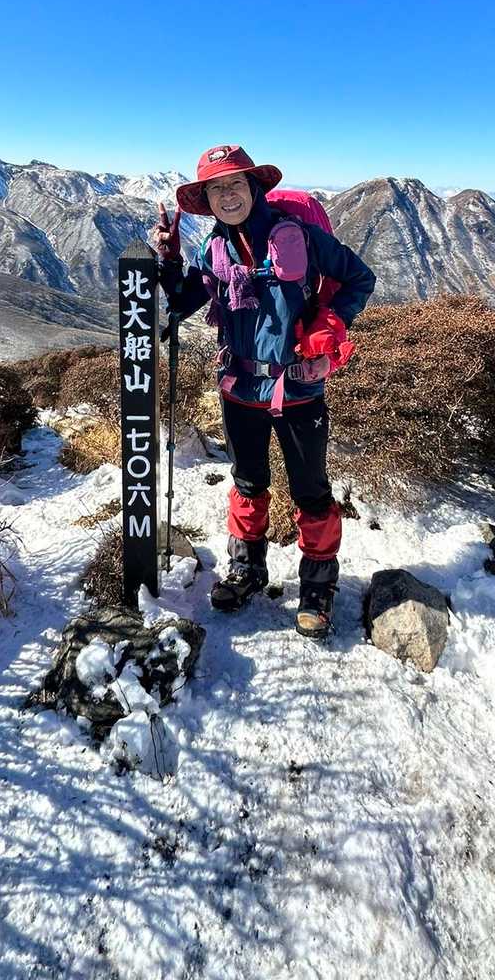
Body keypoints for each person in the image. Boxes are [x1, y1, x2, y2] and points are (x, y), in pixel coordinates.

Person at [152, 143, 376, 638]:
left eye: (236, 183)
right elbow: (185, 301)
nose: (227, 195)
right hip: (239, 391)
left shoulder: (298, 236)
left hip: (298, 388)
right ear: (206, 199)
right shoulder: (213, 249)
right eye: (216, 189)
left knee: (310, 490)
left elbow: (359, 278)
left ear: (255, 187)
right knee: (248, 482)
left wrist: (330, 322)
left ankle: (317, 587)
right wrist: (169, 260)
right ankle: (246, 570)